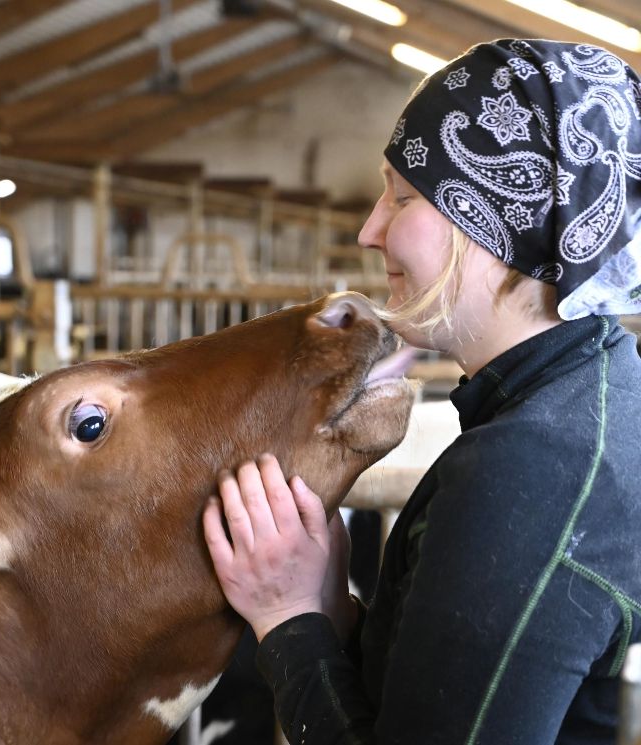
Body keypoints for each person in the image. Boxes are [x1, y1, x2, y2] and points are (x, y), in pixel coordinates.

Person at [202, 38, 641, 744]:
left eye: (402, 196)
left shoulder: (531, 468)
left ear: (500, 221)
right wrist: (332, 615)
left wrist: (285, 621)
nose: (369, 229)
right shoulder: (589, 390)